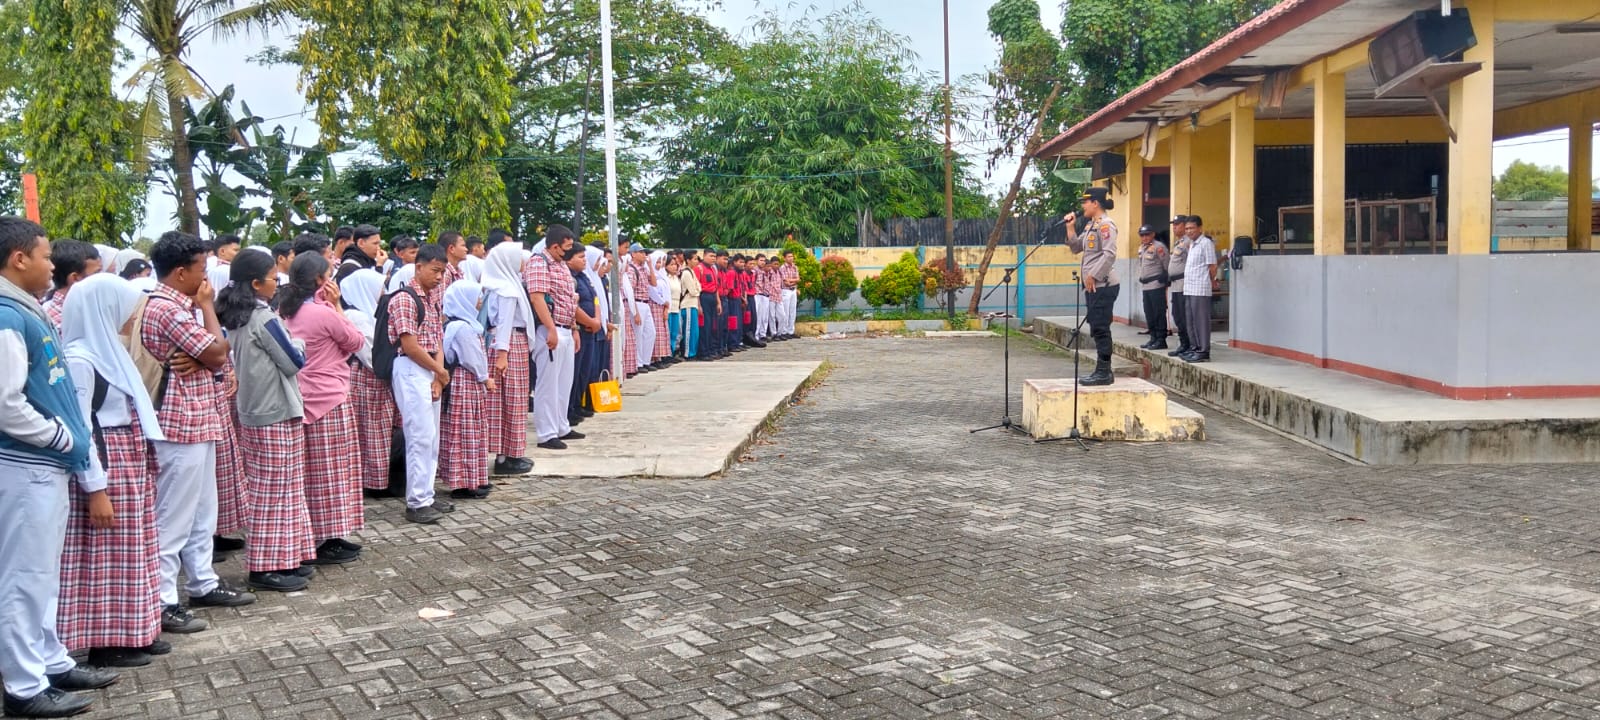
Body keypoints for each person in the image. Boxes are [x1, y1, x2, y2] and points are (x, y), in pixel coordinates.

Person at [0, 218, 121, 719]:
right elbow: (6, 403)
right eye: (46, 255)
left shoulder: (23, 309)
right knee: (24, 578)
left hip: (42, 464)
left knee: (42, 575)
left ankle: (49, 661)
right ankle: (23, 686)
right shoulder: (7, 315)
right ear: (18, 259)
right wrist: (61, 436)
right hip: (26, 464)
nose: (52, 265)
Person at [139, 232, 258, 639]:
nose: (206, 280)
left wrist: (207, 353)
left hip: (198, 418)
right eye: (201, 270)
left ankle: (203, 581)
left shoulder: (179, 306)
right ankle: (162, 600)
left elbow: (213, 355)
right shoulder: (167, 308)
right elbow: (218, 352)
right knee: (174, 515)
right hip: (179, 423)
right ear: (180, 272)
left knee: (203, 510)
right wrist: (208, 309)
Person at [57, 275, 167, 671]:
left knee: (132, 549)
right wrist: (96, 489)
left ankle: (133, 631)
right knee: (105, 555)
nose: (131, 318)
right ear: (103, 310)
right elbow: (81, 427)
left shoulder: (107, 352)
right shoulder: (81, 360)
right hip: (106, 462)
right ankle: (106, 641)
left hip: (125, 458)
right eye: (125, 310)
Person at [216, 250, 314, 593]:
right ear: (257, 283)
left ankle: (284, 558)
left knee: (274, 489)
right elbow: (292, 362)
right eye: (274, 278)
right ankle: (265, 567)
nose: (278, 283)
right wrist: (298, 342)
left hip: (254, 409)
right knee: (275, 492)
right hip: (275, 411)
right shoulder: (263, 318)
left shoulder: (236, 316)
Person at [279, 254, 365, 565]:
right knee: (333, 472)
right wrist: (337, 304)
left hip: (301, 396)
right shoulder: (322, 312)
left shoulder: (285, 310)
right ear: (320, 280)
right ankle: (327, 538)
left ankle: (317, 535)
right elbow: (355, 341)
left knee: (312, 471)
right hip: (329, 398)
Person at [387, 244, 453, 524]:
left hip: (430, 370)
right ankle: (416, 502)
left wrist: (438, 376)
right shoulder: (404, 299)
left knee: (432, 437)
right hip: (411, 368)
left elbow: (437, 337)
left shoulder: (433, 298)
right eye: (435, 271)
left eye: (443, 272)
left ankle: (427, 494)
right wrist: (439, 370)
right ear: (419, 267)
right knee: (419, 436)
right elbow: (410, 346)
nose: (439, 277)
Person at [338, 268, 397, 497]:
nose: (383, 293)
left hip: (373, 377)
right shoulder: (357, 317)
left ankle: (374, 479)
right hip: (367, 377)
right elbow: (370, 354)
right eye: (380, 287)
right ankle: (372, 481)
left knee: (374, 430)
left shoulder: (367, 313)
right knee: (371, 430)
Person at [525, 226, 584, 450]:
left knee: (563, 383)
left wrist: (574, 328)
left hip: (565, 328)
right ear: (555, 246)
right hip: (550, 329)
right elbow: (537, 298)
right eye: (566, 247)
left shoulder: (560, 265)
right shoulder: (539, 263)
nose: (568, 252)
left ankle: (561, 426)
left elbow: (569, 299)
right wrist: (550, 328)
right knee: (548, 384)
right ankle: (546, 433)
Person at [480, 242, 533, 478]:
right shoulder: (507, 290)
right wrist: (503, 354)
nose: (522, 263)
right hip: (510, 345)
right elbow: (505, 324)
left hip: (505, 344)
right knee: (512, 400)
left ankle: (508, 454)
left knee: (506, 401)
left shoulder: (498, 286)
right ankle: (508, 457)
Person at [438, 281, 495, 500]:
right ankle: (465, 483)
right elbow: (473, 359)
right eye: (476, 297)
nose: (479, 302)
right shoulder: (463, 328)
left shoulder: (460, 324)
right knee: (466, 431)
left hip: (464, 381)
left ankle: (470, 479)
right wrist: (485, 377)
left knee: (465, 430)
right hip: (466, 381)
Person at [1063, 187, 1120, 386]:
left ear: (1095, 203)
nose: (1083, 206)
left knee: (1101, 327)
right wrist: (1070, 227)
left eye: (1085, 202)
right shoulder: (1091, 225)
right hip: (1093, 286)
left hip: (1103, 284)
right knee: (1096, 327)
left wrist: (1093, 275)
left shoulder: (1106, 225)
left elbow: (1110, 254)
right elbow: (1076, 247)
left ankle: (1104, 372)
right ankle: (1101, 370)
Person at [568, 247, 603, 422]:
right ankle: (569, 408)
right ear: (569, 259)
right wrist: (590, 321)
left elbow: (595, 299)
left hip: (591, 329)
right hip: (579, 329)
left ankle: (577, 404)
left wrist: (597, 320)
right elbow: (573, 305)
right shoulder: (570, 277)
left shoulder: (584, 277)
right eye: (580, 257)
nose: (584, 260)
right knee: (574, 371)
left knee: (584, 370)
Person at [1180, 216, 1218, 363]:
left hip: (1200, 288)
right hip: (1189, 288)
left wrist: (1210, 281)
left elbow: (1212, 266)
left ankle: (1203, 351)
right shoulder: (1192, 244)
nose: (1189, 231)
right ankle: (1195, 348)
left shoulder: (1206, 243)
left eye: (1192, 228)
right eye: (1187, 228)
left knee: (1201, 321)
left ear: (1200, 228)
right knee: (1191, 321)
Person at [41, 240, 100, 332]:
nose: (102, 278)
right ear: (75, 278)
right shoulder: (64, 324)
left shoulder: (82, 310)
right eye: (96, 273)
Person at [1136, 225, 1170, 350]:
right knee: (1149, 313)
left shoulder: (1159, 247)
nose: (1144, 237)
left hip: (1156, 284)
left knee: (1158, 313)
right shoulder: (1141, 248)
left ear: (1153, 234)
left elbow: (1167, 264)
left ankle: (1161, 339)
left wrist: (1166, 277)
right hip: (1146, 286)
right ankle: (1153, 337)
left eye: (1147, 234)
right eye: (1142, 235)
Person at [626, 244, 656, 374]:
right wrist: (635, 312)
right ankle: (638, 363)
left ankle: (645, 360)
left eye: (645, 253)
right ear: (633, 254)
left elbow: (654, 283)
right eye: (641, 252)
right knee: (638, 334)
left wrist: (650, 266)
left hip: (646, 302)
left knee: (650, 332)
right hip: (637, 303)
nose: (644, 255)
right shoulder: (631, 269)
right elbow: (630, 292)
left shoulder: (644, 269)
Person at [1166, 216, 1193, 358]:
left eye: (1177, 224)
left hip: (1184, 284)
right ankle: (1183, 344)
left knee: (1184, 316)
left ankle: (1189, 345)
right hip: (1175, 285)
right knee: (1177, 315)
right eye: (1173, 225)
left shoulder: (1189, 242)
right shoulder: (1179, 243)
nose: (1174, 227)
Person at [693, 249, 721, 360]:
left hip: (712, 297)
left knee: (712, 326)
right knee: (705, 325)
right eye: (711, 256)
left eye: (714, 256)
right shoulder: (699, 268)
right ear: (704, 256)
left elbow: (716, 287)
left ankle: (710, 350)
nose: (713, 258)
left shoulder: (713, 269)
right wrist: (699, 305)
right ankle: (703, 352)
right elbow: (696, 288)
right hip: (703, 297)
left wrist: (718, 302)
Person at [647, 250, 672, 366]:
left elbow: (667, 293)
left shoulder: (662, 275)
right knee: (656, 332)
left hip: (662, 306)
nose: (660, 264)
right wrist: (663, 302)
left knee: (662, 332)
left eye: (661, 262)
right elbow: (653, 292)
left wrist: (666, 306)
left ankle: (661, 356)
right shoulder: (651, 275)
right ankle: (654, 357)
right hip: (655, 305)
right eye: (657, 262)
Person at [674, 254, 700, 361]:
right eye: (694, 259)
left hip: (693, 304)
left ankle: (693, 351)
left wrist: (697, 290)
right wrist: (697, 290)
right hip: (687, 304)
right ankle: (688, 353)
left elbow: (699, 286)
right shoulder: (686, 273)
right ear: (688, 260)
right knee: (689, 330)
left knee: (695, 331)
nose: (696, 261)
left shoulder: (692, 271)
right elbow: (693, 290)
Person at [436, 231, 466, 296]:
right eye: (463, 246)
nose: (466, 249)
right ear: (451, 249)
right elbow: (443, 300)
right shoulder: (445, 273)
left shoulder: (457, 272)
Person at [779, 250, 800, 340]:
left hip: (793, 291)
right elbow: (786, 282)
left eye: (792, 256)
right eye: (789, 256)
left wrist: (791, 281)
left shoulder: (795, 267)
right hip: (785, 291)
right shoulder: (782, 268)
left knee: (792, 311)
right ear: (784, 258)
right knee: (785, 312)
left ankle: (791, 331)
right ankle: (784, 332)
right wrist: (794, 281)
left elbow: (798, 279)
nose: (791, 258)